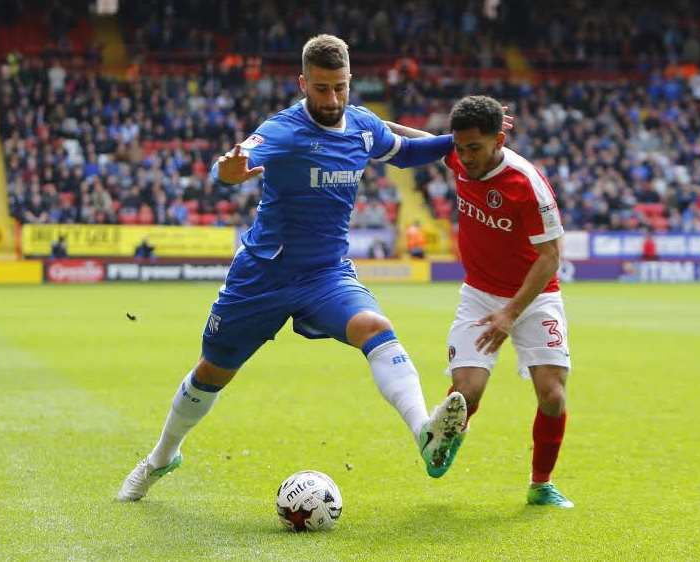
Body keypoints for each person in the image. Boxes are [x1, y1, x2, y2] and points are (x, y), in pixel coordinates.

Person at [117, 34, 470, 502]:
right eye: (322, 89)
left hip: (327, 274)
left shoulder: (363, 127)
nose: (333, 99)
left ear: (350, 81)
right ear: (303, 83)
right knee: (212, 371)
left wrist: (461, 141)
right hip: (263, 276)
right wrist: (230, 172)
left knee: (376, 326)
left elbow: (405, 153)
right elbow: (229, 169)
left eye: (340, 87)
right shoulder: (282, 129)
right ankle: (161, 457)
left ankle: (424, 434)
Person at [391, 96, 573, 508]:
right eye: (459, 147)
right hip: (479, 294)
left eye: (475, 148)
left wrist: (511, 312)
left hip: (534, 296)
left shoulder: (527, 184)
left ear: (499, 140)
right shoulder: (460, 157)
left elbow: (551, 257)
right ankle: (443, 439)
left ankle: (541, 484)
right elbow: (423, 142)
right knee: (466, 393)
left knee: (553, 395)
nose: (464, 157)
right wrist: (371, 120)